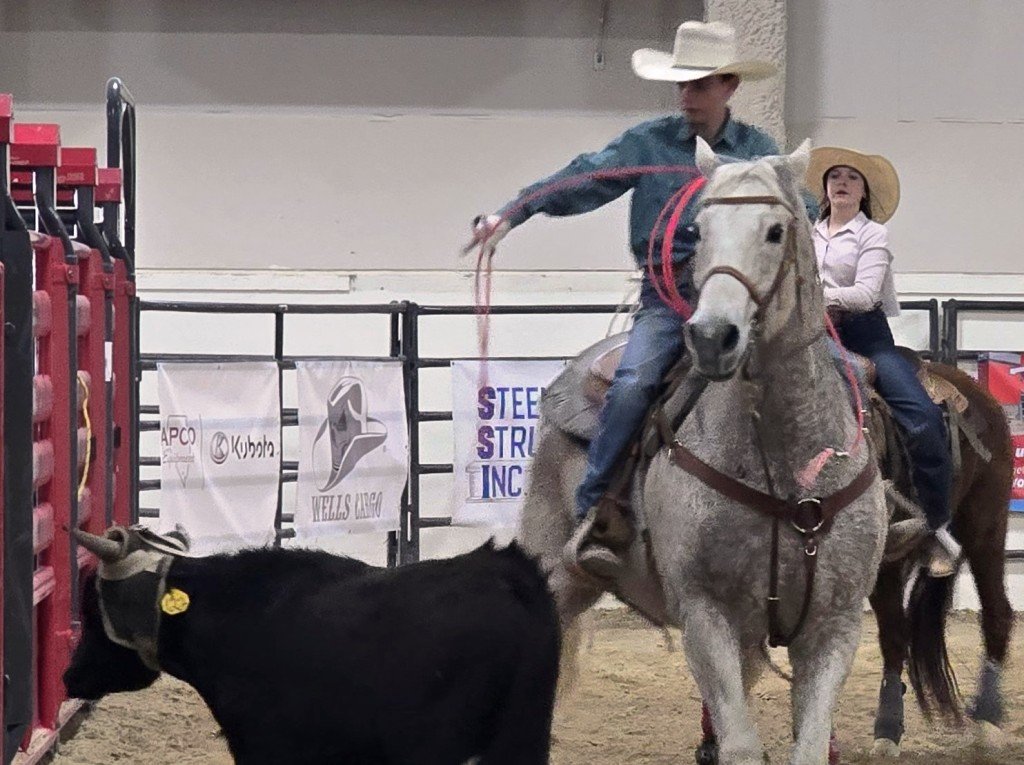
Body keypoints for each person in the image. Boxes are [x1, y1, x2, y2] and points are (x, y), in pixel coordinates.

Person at [464, 21, 784, 580]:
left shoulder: (758, 151)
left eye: (700, 84)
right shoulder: (649, 143)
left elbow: (798, 206)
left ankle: (852, 509)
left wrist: (840, 225)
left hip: (744, 301)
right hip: (669, 297)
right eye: (682, 85)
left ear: (729, 85)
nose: (687, 96)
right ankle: (596, 508)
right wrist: (512, 212)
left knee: (824, 372)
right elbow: (584, 178)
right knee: (635, 381)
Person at [806, 146, 960, 577]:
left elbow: (866, 294)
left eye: (852, 178)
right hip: (813, 338)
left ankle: (935, 525)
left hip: (865, 336)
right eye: (835, 175)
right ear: (824, 186)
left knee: (924, 419)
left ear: (864, 191)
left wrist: (816, 299)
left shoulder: (872, 234)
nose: (842, 182)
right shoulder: (806, 232)